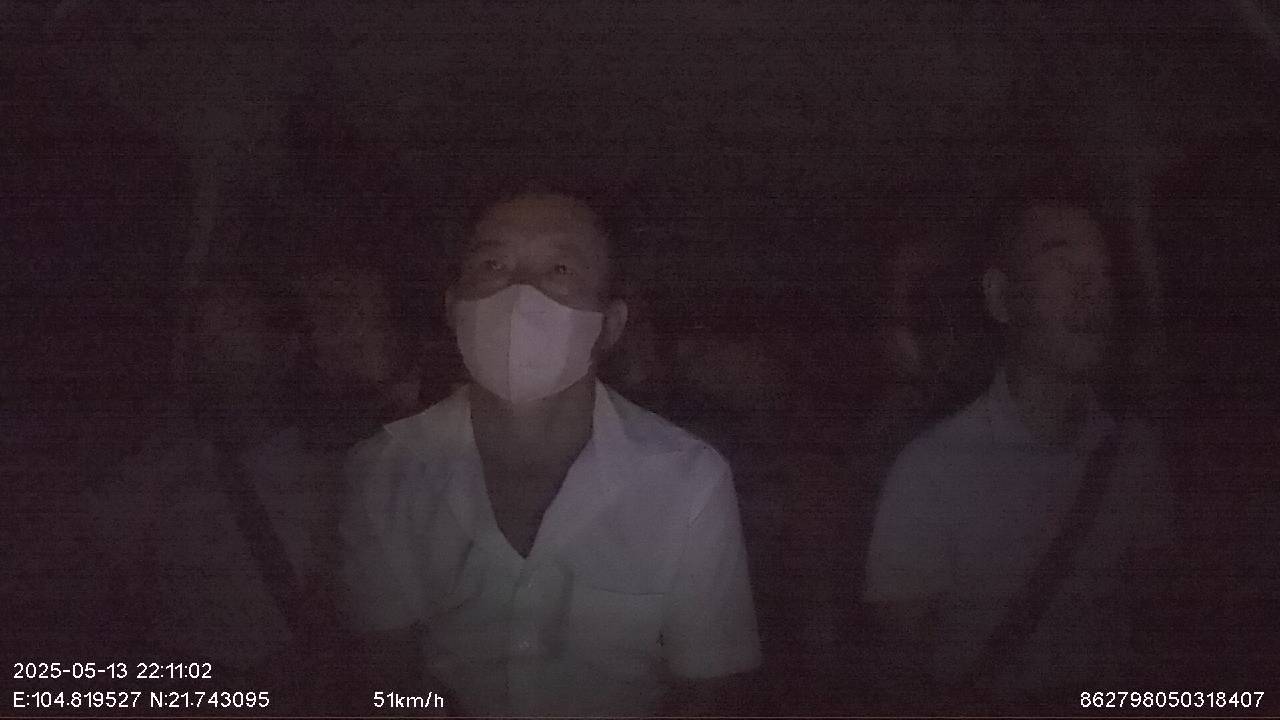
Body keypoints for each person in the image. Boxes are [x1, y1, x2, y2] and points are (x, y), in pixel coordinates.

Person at [340, 185, 762, 716]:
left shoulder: (688, 479)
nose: (520, 295)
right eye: (493, 265)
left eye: (560, 270)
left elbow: (707, 693)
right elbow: (387, 682)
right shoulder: (385, 470)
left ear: (610, 324)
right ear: (453, 307)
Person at [859, 180, 1174, 711]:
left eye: (1102, 272)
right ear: (1001, 296)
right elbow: (900, 673)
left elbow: (1160, 629)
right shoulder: (932, 470)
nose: (1092, 289)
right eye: (1062, 263)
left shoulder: (1134, 455)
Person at [76, 269, 344, 695]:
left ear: (286, 344)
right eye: (203, 330)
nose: (212, 344)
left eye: (234, 325)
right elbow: (87, 562)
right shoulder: (163, 461)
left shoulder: (343, 467)